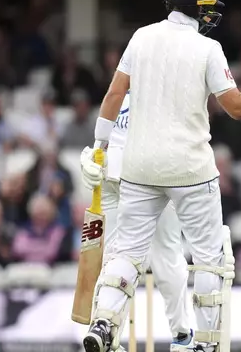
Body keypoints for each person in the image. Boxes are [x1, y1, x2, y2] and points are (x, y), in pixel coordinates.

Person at [81, 0, 241, 352]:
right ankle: (204, 343)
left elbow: (113, 95)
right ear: (196, 8)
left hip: (140, 166)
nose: (211, 17)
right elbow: (237, 108)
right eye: (208, 9)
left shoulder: (141, 37)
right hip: (190, 168)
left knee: (126, 251)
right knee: (210, 258)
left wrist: (99, 147)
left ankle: (105, 322)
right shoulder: (208, 49)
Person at [80, 91, 194, 351]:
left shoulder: (164, 93)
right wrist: (92, 155)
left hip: (142, 176)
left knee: (149, 259)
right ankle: (110, 328)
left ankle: (108, 326)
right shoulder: (128, 91)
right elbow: (103, 136)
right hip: (125, 175)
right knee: (119, 258)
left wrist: (94, 153)